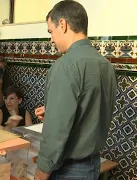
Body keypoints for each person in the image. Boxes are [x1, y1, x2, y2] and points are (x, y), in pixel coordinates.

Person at [34, 1, 117, 180]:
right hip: (93, 164)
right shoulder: (106, 65)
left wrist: (41, 173)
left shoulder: (65, 66)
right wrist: (53, 111)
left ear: (62, 25)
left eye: (51, 31)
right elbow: (91, 112)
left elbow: (56, 133)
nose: (51, 39)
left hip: (67, 170)